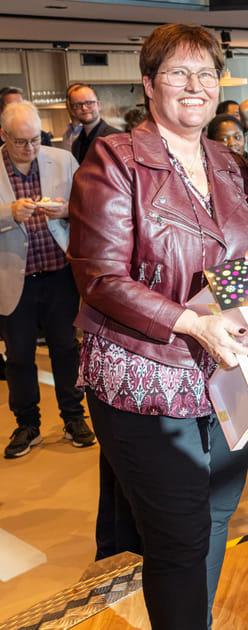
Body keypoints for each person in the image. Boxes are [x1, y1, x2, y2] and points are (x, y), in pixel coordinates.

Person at [68, 23, 248, 629]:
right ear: (150, 84)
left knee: (215, 520)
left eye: (206, 73)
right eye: (179, 72)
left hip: (228, 372)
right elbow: (100, 276)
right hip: (147, 378)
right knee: (178, 538)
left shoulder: (229, 162)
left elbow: (247, 260)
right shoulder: (114, 160)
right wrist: (192, 323)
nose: (195, 85)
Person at [0, 101, 92, 459]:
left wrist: (66, 210)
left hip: (59, 275)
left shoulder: (63, 160)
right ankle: (27, 425)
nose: (30, 148)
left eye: (36, 139)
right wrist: (9, 213)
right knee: (19, 356)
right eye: (20, 141)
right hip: (14, 278)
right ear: (4, 135)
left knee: (66, 349)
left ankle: (73, 417)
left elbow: (89, 205)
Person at [67, 83, 121, 163]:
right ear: (72, 110)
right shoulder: (76, 144)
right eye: (78, 105)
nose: (84, 108)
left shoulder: (116, 138)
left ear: (99, 105)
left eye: (89, 103)